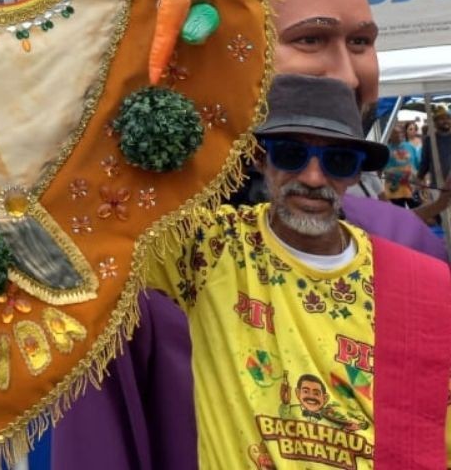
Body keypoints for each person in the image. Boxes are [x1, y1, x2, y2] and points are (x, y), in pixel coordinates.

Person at [54, 0, 448, 470]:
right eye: (311, 39)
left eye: (361, 43)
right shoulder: (182, 252)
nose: (345, 74)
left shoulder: (408, 249)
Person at [139, 74, 451, 468]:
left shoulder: (421, 285)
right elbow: (95, 224)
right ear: (259, 158)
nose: (313, 178)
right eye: (290, 154)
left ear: (356, 173)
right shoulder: (209, 247)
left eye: (338, 160)